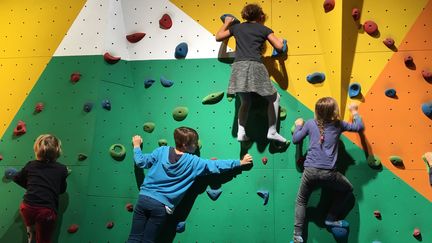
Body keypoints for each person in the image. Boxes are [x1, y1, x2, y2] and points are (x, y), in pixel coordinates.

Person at [127, 126, 253, 243]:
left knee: (134, 237)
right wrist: (240, 162)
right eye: (195, 143)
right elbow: (216, 165)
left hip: (143, 199)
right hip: (161, 206)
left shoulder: (161, 151)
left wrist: (137, 146)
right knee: (148, 240)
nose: (197, 145)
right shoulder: (193, 162)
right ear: (185, 145)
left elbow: (141, 162)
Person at [291, 97, 364, 243]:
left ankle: (297, 236)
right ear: (334, 111)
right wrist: (354, 112)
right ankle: (330, 219)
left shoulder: (310, 124)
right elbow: (359, 127)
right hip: (329, 174)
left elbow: (295, 139)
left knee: (301, 201)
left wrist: (299, 125)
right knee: (347, 189)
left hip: (310, 171)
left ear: (316, 111)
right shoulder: (338, 125)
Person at [215, 3, 287, 143]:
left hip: (238, 67)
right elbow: (279, 47)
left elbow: (218, 37)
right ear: (261, 16)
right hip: (255, 65)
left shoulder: (237, 27)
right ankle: (272, 131)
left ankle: (241, 132)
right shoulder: (264, 29)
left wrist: (227, 22)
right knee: (274, 98)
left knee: (245, 101)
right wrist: (282, 41)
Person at [11, 134, 68, 243]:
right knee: (43, 240)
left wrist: (31, 186)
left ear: (37, 149)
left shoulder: (31, 165)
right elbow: (61, 190)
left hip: (27, 207)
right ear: (57, 151)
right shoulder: (62, 169)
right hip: (45, 211)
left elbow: (17, 178)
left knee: (31, 223)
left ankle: (31, 233)